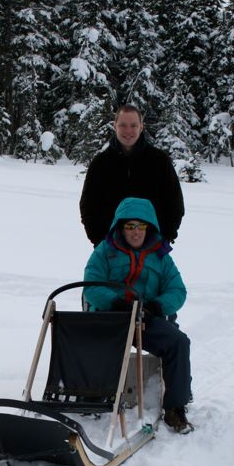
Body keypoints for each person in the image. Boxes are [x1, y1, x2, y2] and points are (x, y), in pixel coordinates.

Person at [84, 196, 192, 433]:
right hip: (111, 319)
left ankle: (175, 407)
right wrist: (114, 301)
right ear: (120, 227)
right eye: (129, 226)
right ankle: (88, 396)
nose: (135, 232)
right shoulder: (105, 251)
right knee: (81, 338)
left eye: (140, 226)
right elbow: (90, 287)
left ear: (149, 227)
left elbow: (178, 291)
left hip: (146, 319)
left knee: (179, 342)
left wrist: (158, 306)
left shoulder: (162, 256)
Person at [80, 104, 184, 247]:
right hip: (111, 248)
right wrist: (100, 241)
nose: (128, 130)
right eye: (123, 125)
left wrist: (164, 238)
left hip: (152, 249)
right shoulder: (100, 163)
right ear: (115, 126)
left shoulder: (159, 161)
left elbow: (175, 204)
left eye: (133, 125)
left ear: (141, 127)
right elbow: (88, 206)